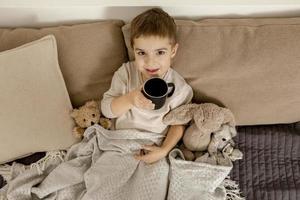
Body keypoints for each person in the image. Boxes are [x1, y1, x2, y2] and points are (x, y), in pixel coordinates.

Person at [101, 8, 193, 164]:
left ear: (173, 51)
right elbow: (106, 110)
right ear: (134, 51)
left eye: (160, 52)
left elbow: (179, 125)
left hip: (155, 144)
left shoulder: (179, 87)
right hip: (120, 141)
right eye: (142, 53)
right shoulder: (126, 74)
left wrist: (164, 150)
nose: (150, 62)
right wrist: (130, 99)